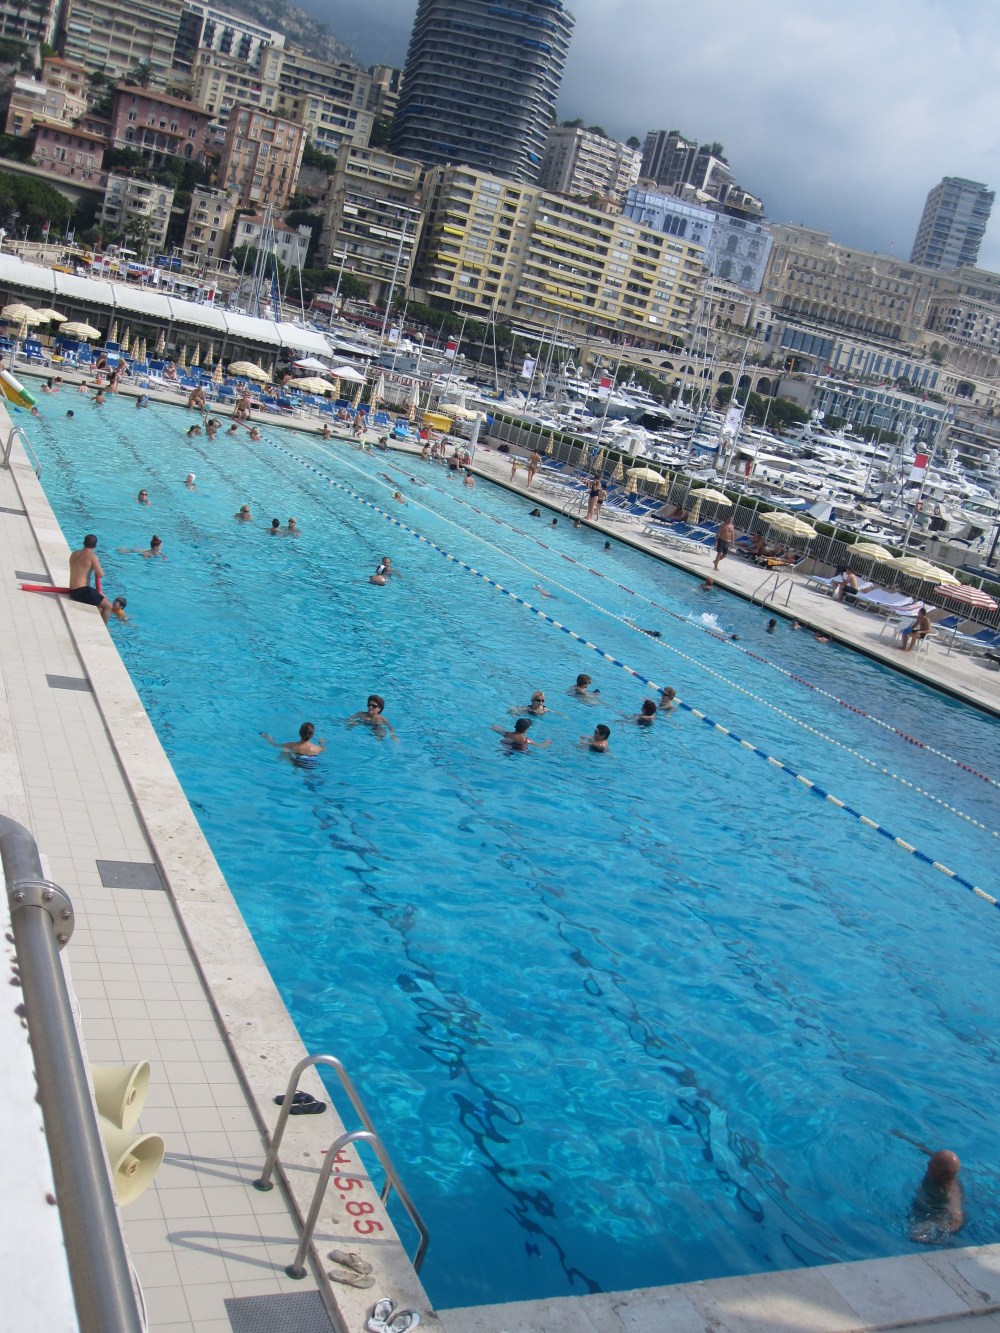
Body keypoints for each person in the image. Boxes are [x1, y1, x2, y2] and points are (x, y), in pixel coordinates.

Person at [909, 1149, 964, 1242]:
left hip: (932, 1213)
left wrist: (933, 1234)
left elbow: (957, 1219)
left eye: (932, 1163)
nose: (928, 1163)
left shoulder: (948, 1193)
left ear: (940, 1172)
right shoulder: (938, 1171)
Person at [68, 534, 112, 624]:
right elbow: (100, 574)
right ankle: (104, 630)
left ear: (83, 543)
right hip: (82, 592)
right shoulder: (92, 557)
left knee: (102, 598)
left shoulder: (74, 553)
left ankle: (98, 622)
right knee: (108, 606)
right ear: (95, 546)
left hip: (72, 590)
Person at [260, 722, 325, 765]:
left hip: (296, 763)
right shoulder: (317, 748)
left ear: (299, 733)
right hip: (311, 765)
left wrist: (269, 738)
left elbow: (275, 745)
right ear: (312, 735)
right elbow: (323, 750)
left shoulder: (291, 745)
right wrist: (322, 743)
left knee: (285, 750)